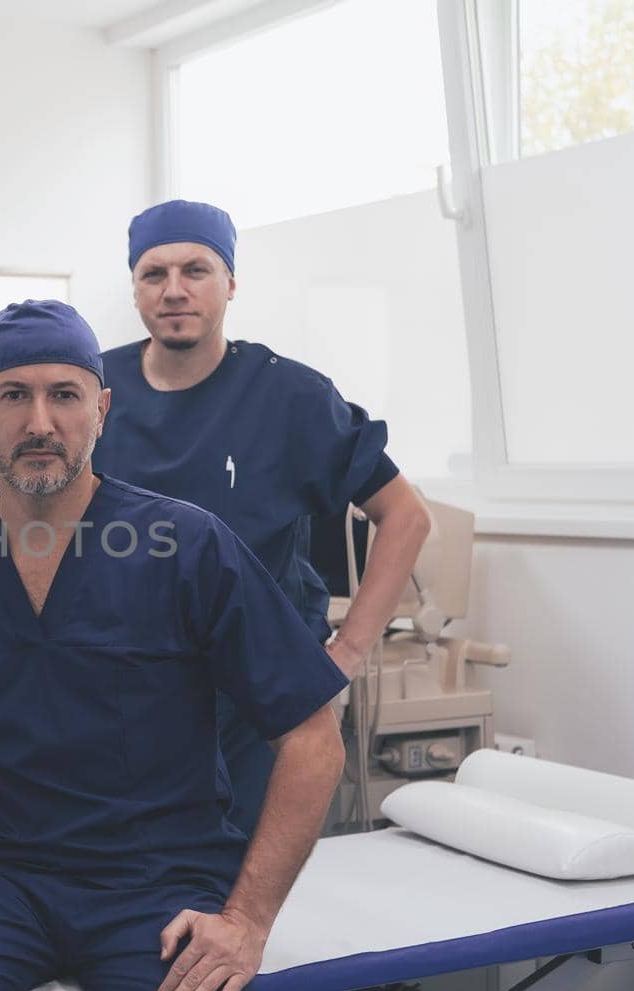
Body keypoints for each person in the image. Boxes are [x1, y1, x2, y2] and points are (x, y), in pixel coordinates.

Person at [0, 300, 346, 991]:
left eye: (65, 394)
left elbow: (311, 733)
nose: (40, 420)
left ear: (102, 408)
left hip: (159, 884)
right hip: (0, 884)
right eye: (13, 395)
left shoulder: (186, 546)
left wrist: (246, 919)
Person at [91, 200, 430, 837]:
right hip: (125, 689)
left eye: (196, 270)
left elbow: (405, 517)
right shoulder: (92, 389)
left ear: (231, 284)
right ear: (134, 288)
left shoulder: (290, 397)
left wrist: (346, 653)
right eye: (153, 274)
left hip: (258, 694)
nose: (174, 291)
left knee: (244, 889)